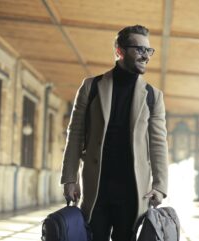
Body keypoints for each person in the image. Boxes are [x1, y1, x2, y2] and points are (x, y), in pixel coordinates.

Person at [60, 25, 168, 241]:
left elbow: (158, 144)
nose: (146, 56)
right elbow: (75, 134)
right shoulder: (91, 87)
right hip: (96, 188)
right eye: (139, 49)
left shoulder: (153, 96)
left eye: (149, 51)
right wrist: (70, 178)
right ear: (120, 51)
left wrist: (160, 186)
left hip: (133, 191)